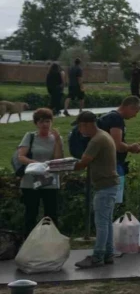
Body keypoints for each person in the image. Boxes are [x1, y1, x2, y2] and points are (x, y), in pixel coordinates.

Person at [73, 111, 119, 268]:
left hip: (104, 186)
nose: (80, 131)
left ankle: (98, 256)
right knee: (106, 222)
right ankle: (108, 254)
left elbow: (83, 163)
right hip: (110, 184)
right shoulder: (104, 135)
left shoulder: (96, 140)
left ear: (86, 124)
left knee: (101, 223)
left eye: (80, 127)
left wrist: (61, 166)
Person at [16, 108, 64, 237]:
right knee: (31, 213)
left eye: (48, 121)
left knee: (51, 213)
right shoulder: (30, 136)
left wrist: (58, 141)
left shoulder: (56, 139)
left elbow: (58, 159)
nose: (45, 125)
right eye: (41, 122)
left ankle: (51, 240)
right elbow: (21, 156)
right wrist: (36, 163)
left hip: (50, 181)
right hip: (31, 181)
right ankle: (29, 240)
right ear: (36, 123)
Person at [97, 96, 140, 206]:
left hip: (104, 163)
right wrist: (131, 147)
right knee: (114, 201)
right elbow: (116, 145)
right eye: (135, 111)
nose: (135, 115)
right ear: (129, 107)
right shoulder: (116, 119)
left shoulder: (108, 116)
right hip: (113, 164)